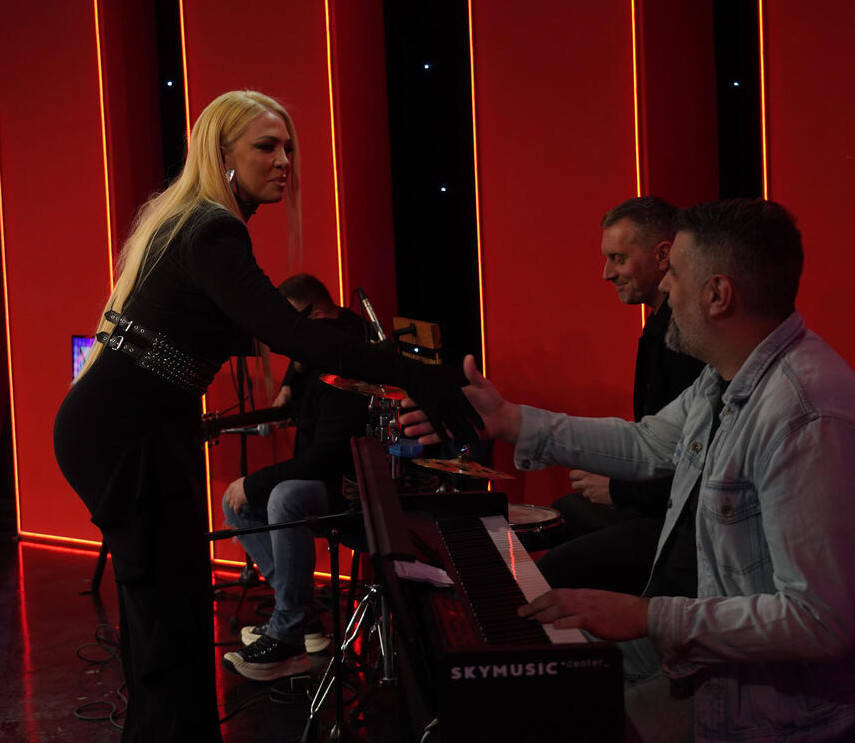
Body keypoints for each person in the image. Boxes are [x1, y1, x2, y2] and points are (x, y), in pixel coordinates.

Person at [53, 90, 476, 742]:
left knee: (163, 618)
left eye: (288, 148)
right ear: (222, 154)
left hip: (130, 431)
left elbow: (276, 334)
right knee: (170, 621)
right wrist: (421, 375)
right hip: (127, 436)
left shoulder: (191, 224)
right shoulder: (212, 230)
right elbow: (294, 333)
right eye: (266, 146)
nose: (284, 161)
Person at [405, 199, 855, 742]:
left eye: (675, 274)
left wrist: (647, 616)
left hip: (770, 708)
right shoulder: (724, 377)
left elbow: (819, 620)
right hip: (711, 663)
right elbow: (646, 443)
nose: (664, 287)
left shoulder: (804, 415)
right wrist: (510, 420)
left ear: (718, 294)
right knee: (523, 691)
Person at [537, 197, 704, 596]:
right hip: (653, 501)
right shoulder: (658, 329)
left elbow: (690, 469)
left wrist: (617, 489)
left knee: (553, 569)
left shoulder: (688, 340)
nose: (606, 273)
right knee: (559, 514)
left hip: (683, 522)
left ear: (662, 256)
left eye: (618, 258)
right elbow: (653, 440)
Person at [219, 273, 369, 681]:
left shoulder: (342, 356)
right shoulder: (324, 338)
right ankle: (304, 622)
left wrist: (254, 482)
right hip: (328, 474)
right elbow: (301, 360)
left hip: (352, 486)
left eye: (290, 326)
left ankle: (287, 633)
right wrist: (288, 385)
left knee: (281, 497)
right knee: (237, 504)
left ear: (314, 314)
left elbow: (326, 458)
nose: (285, 339)